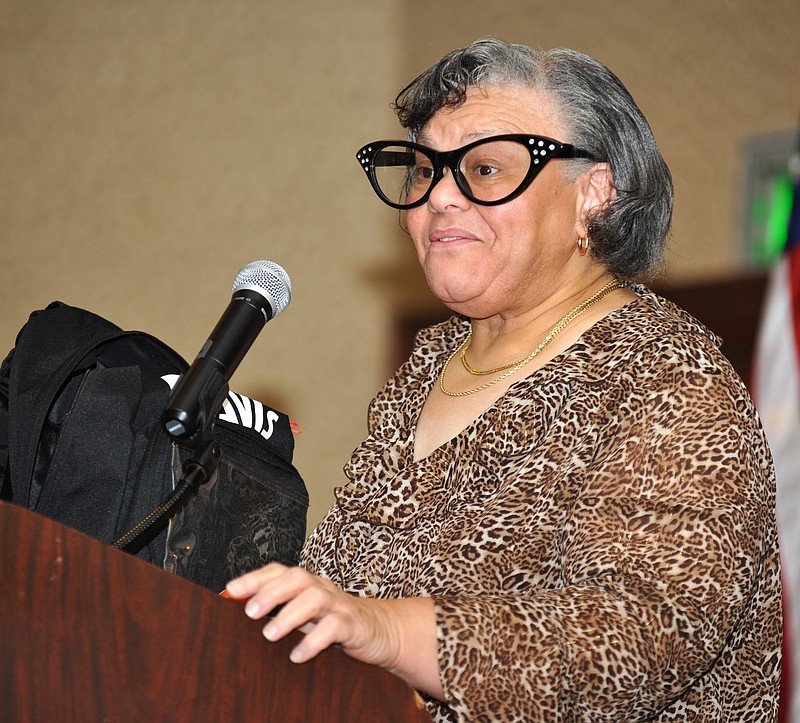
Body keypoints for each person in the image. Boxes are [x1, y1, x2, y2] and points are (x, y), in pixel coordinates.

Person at [225, 38, 782, 721]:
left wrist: (385, 629)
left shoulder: (669, 378)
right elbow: (342, 598)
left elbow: (636, 636)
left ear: (593, 195)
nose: (441, 197)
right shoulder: (426, 370)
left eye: (484, 169)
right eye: (424, 171)